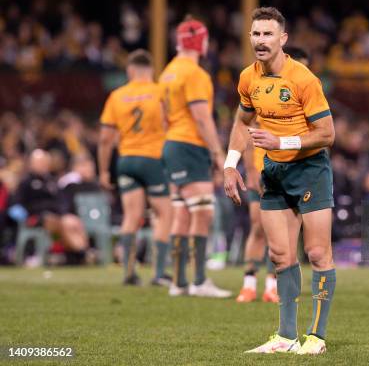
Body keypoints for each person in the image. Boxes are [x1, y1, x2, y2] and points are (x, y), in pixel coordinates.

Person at [224, 7, 335, 355]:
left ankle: (315, 337)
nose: (260, 40)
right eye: (255, 34)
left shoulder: (303, 79)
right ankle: (287, 336)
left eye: (267, 34)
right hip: (273, 172)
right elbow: (242, 122)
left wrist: (282, 142)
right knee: (280, 254)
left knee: (317, 252)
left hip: (310, 170)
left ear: (282, 39)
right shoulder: (248, 78)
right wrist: (230, 165)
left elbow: (327, 133)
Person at [159, 16, 230, 298]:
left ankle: (178, 282)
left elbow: (164, 118)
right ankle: (199, 280)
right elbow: (202, 118)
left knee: (182, 211)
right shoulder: (196, 74)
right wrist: (217, 152)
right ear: (201, 41)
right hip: (190, 145)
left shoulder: (167, 72)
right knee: (203, 211)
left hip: (172, 144)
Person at [236, 47, 309, 304]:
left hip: (292, 170)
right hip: (263, 168)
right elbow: (245, 131)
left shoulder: (305, 92)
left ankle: (272, 284)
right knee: (258, 226)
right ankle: (248, 283)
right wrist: (250, 170)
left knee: (285, 233)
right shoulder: (265, 89)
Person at [98, 49, 173, 286]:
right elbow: (168, 123)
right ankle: (159, 273)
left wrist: (103, 171)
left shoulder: (117, 95)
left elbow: (105, 139)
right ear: (151, 70)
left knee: (131, 216)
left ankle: (129, 272)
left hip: (126, 161)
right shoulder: (160, 91)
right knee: (164, 214)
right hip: (152, 159)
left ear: (130, 70)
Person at [11, 149, 88, 264]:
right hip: (35, 217)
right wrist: (24, 216)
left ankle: (78, 252)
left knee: (74, 221)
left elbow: (61, 201)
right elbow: (16, 204)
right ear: (32, 163)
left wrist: (64, 213)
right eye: (40, 162)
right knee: (63, 223)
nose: (43, 165)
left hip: (56, 216)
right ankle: (80, 253)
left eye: (45, 162)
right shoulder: (26, 183)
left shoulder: (51, 181)